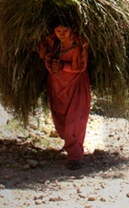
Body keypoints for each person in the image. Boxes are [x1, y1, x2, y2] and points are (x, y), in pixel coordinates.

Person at [38, 17, 91, 170]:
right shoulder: (50, 41)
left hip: (76, 86)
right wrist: (51, 65)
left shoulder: (79, 43)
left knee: (75, 120)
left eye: (65, 31)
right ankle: (69, 143)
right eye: (58, 31)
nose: (62, 34)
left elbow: (81, 66)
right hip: (56, 85)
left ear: (71, 30)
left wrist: (61, 66)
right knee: (60, 117)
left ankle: (74, 157)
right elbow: (46, 58)